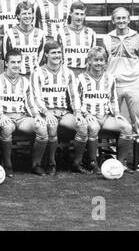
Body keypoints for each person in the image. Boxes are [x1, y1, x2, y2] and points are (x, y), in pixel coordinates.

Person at [30, 40, 89, 175]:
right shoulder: (37, 72)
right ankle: (51, 163)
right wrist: (46, 112)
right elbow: (35, 97)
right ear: (46, 54)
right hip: (47, 111)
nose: (57, 55)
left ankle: (76, 163)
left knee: (83, 126)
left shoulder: (68, 72)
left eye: (59, 52)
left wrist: (78, 112)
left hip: (64, 112)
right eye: (53, 53)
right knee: (51, 125)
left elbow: (74, 95)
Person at [77, 47, 135, 174]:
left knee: (127, 128)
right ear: (89, 61)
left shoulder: (110, 78)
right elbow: (76, 101)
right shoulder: (81, 78)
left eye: (101, 60)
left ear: (105, 62)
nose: (98, 63)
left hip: (106, 116)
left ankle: (121, 164)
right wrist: (85, 114)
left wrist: (117, 114)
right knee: (93, 128)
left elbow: (113, 99)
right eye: (95, 60)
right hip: (90, 116)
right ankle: (93, 162)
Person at [0, 50, 48, 177]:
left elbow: (30, 103)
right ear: (6, 63)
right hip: (5, 116)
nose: (16, 65)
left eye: (18, 62)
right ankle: (7, 165)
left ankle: (36, 165)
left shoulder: (25, 81)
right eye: (13, 62)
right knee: (6, 128)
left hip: (22, 118)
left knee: (42, 128)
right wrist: (1, 115)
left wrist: (37, 116)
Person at [102, 7, 139, 139]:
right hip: (113, 85)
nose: (121, 21)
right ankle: (110, 149)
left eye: (124, 18)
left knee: (137, 120)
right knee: (111, 120)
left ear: (129, 19)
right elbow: (102, 63)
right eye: (118, 18)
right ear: (113, 20)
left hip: (133, 85)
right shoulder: (106, 38)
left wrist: (135, 76)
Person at [3, 1, 46, 77]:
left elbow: (41, 56)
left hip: (35, 75)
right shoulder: (9, 34)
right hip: (16, 75)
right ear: (18, 15)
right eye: (24, 13)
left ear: (33, 15)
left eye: (29, 13)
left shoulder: (40, 34)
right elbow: (6, 56)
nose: (27, 16)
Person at [55, 1, 97, 76]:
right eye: (76, 14)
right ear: (70, 14)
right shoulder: (60, 33)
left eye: (82, 14)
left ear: (85, 15)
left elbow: (93, 56)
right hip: (66, 72)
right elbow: (56, 56)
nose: (79, 17)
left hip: (85, 73)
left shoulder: (91, 33)